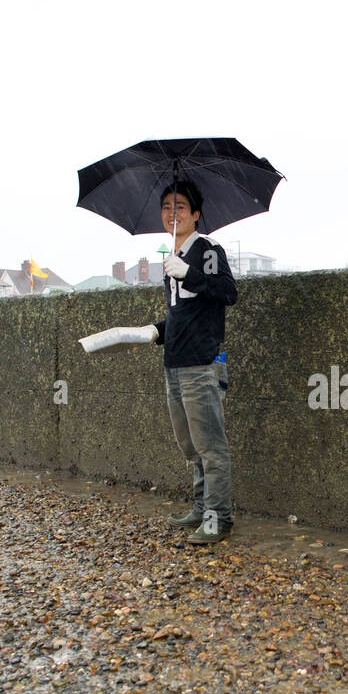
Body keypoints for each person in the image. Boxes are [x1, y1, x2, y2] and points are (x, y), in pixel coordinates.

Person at [140, 179, 236, 544]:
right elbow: (184, 314)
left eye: (180, 207)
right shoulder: (171, 258)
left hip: (201, 362)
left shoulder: (207, 249)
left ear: (195, 215)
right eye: (166, 206)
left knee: (211, 446)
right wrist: (156, 330)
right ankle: (200, 507)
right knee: (189, 446)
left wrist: (190, 274)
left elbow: (228, 292)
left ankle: (218, 518)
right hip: (174, 362)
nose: (171, 213)